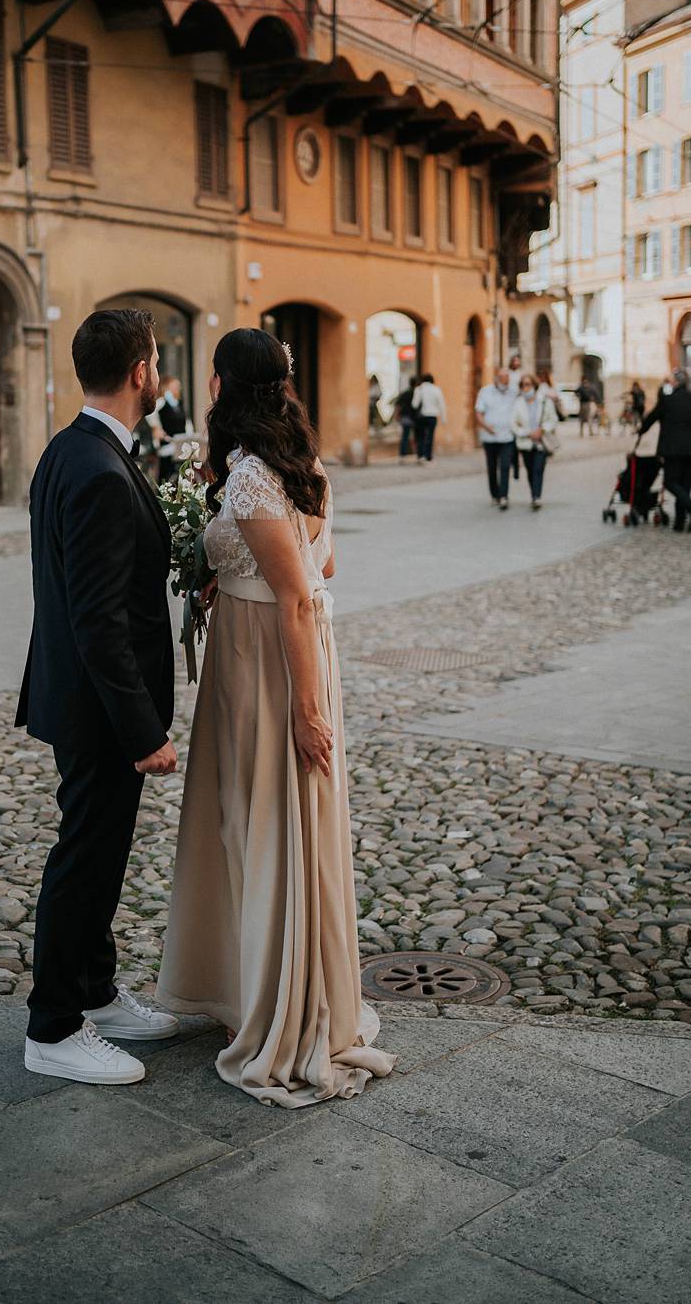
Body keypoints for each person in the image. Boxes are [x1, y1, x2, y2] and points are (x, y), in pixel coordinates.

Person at [157, 328, 396, 1106]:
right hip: (262, 649)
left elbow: (297, 594)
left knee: (258, 819)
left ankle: (277, 1013)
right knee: (256, 821)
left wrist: (308, 711)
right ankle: (249, 983)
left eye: (214, 375)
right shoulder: (299, 464)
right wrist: (228, 573)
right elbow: (323, 563)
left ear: (227, 383)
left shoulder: (255, 476)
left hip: (266, 665)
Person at [17, 309, 180, 1086]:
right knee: (84, 858)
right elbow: (98, 620)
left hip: (79, 697)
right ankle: (52, 1027)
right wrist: (143, 729)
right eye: (154, 361)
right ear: (139, 371)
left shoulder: (71, 450)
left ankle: (97, 993)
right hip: (98, 708)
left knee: (101, 851)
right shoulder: (98, 471)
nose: (158, 373)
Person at [640, 369, 691, 534]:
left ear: (675, 382)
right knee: (684, 486)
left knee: (670, 482)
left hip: (673, 450)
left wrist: (641, 430)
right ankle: (679, 522)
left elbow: (651, 417)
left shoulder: (667, 401)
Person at [512, 372, 559, 510]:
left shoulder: (544, 401)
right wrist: (528, 433)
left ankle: (536, 497)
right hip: (526, 443)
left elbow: (553, 419)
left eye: (528, 385)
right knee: (530, 470)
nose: (526, 388)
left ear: (534, 385)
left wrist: (542, 430)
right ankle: (534, 493)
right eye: (523, 385)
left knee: (538, 469)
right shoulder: (518, 403)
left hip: (541, 442)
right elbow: (513, 424)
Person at [475, 367, 517, 510]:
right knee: (492, 467)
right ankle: (495, 494)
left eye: (507, 378)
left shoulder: (513, 392)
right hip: (490, 437)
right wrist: (486, 427)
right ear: (496, 378)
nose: (506, 381)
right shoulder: (485, 392)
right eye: (503, 378)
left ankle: (504, 496)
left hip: (507, 437)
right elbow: (479, 413)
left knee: (505, 466)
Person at [153, 375, 189, 485]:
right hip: (168, 444)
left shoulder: (179, 404)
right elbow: (151, 414)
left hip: (180, 443)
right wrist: (156, 428)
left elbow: (186, 422)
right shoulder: (162, 402)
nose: (178, 389)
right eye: (175, 386)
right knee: (166, 475)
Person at [411, 372, 447, 462]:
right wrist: (443, 418)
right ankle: (428, 456)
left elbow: (414, 405)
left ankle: (421, 455)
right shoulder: (437, 390)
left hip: (422, 416)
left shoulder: (419, 389)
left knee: (421, 436)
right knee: (430, 436)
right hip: (432, 416)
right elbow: (442, 405)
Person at [394, 374, 419, 459]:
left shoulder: (405, 393)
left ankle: (403, 455)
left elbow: (398, 404)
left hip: (405, 417)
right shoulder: (417, 393)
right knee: (417, 436)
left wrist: (397, 415)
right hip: (415, 418)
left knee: (405, 436)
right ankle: (418, 454)